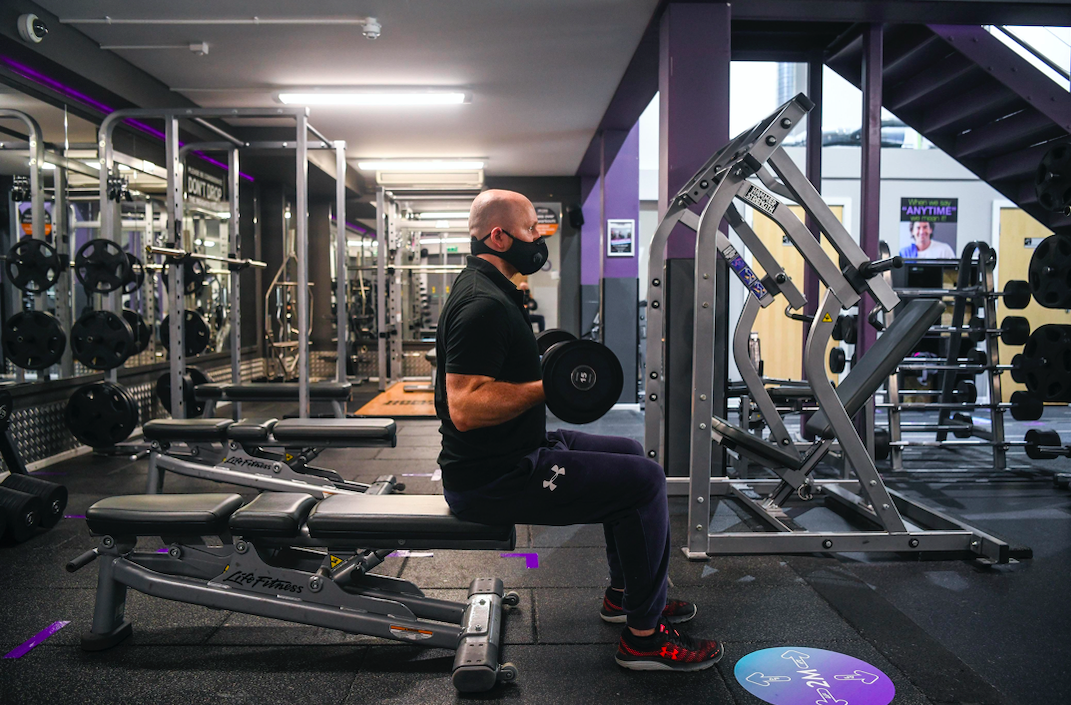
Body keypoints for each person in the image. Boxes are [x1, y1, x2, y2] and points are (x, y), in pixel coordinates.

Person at [434, 189, 723, 672]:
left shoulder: (495, 290)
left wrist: (543, 372)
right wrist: (550, 384)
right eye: (531, 231)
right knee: (645, 483)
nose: (539, 239)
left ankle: (626, 594)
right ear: (499, 236)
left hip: (519, 449)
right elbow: (464, 406)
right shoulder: (480, 303)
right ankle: (644, 640)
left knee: (633, 455)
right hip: (493, 478)